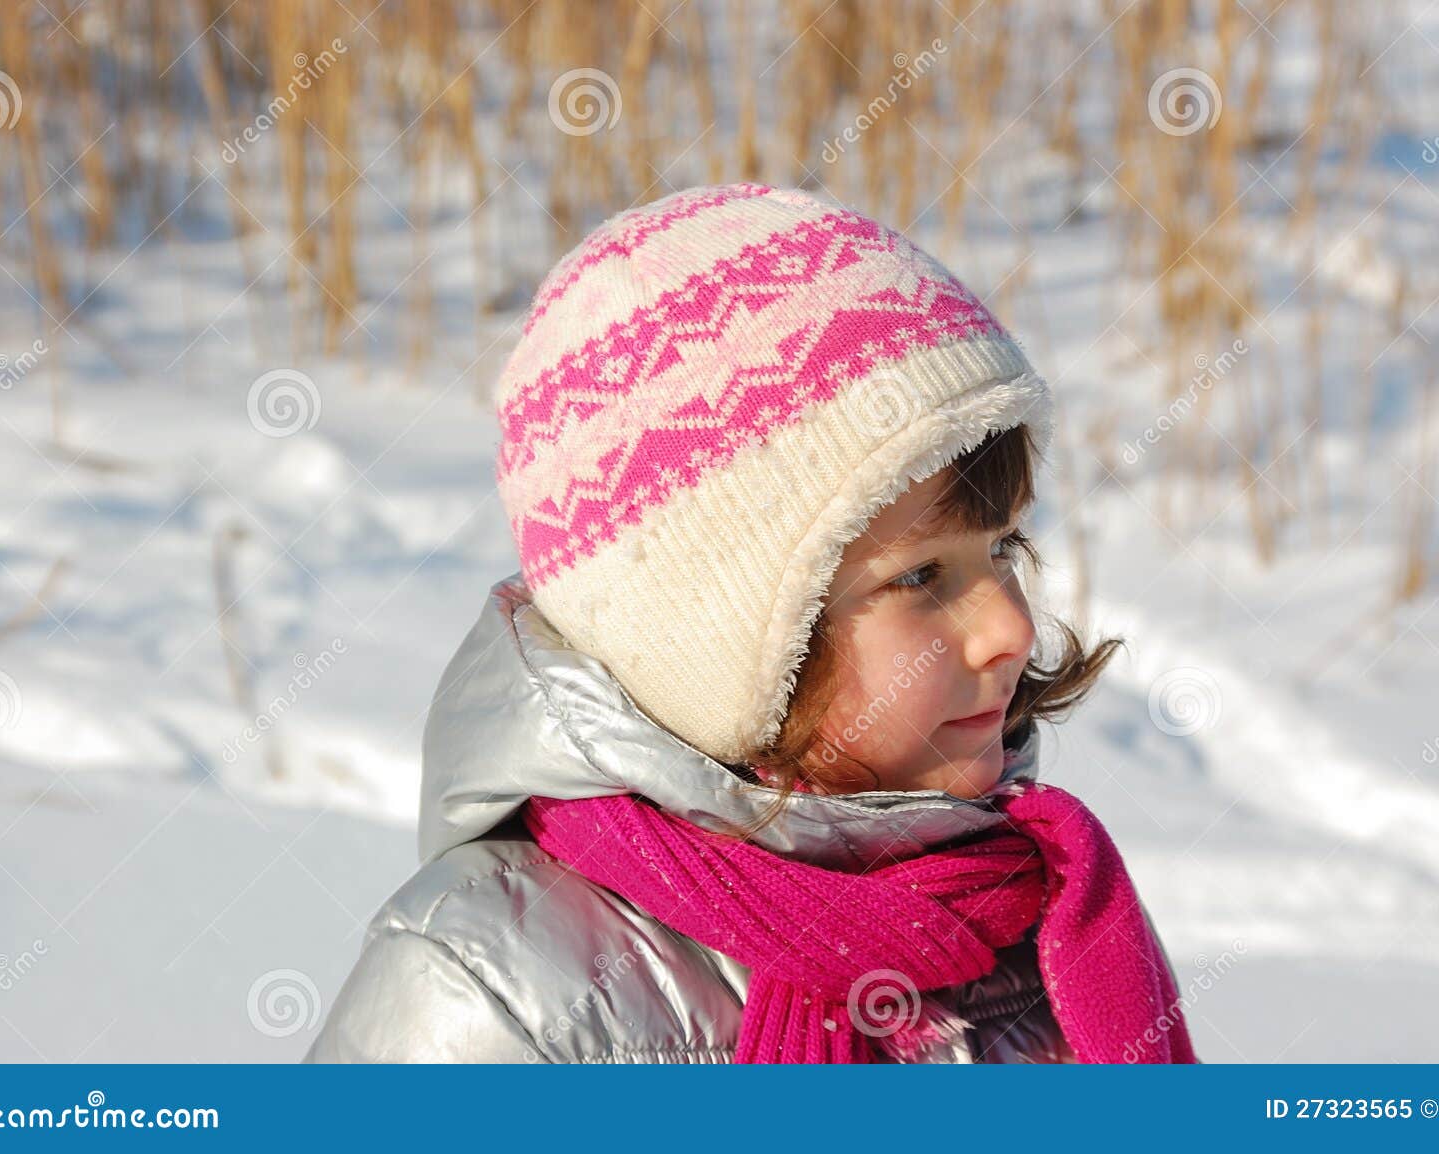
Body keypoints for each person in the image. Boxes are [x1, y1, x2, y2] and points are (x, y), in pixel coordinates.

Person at [304, 182, 1196, 1063]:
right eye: (921, 575)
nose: (1009, 628)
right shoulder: (498, 989)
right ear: (720, 646)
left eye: (1001, 550)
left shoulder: (1053, 928)